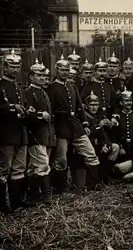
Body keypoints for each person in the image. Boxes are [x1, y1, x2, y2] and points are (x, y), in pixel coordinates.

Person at [48, 55, 101, 194]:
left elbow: (79, 108)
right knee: (61, 160)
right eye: (62, 70)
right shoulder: (52, 87)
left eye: (67, 70)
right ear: (57, 70)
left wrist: (84, 123)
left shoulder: (72, 87)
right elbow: (51, 109)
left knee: (90, 154)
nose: (65, 72)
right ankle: (60, 188)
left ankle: (92, 185)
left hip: (75, 126)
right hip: (61, 127)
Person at [0, 49, 33, 213]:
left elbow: (21, 107)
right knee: (3, 169)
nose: (16, 69)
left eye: (18, 66)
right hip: (6, 133)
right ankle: (2, 207)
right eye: (12, 66)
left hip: (20, 133)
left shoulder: (19, 87)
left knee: (18, 169)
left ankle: (16, 202)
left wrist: (27, 110)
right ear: (5, 67)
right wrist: (12, 107)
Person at [24, 60, 54, 204]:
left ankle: (32, 195)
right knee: (42, 164)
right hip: (35, 133)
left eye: (43, 75)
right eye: (38, 75)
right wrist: (40, 115)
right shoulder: (29, 92)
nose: (42, 78)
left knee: (36, 166)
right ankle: (46, 196)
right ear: (31, 76)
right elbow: (27, 113)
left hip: (46, 133)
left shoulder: (43, 91)